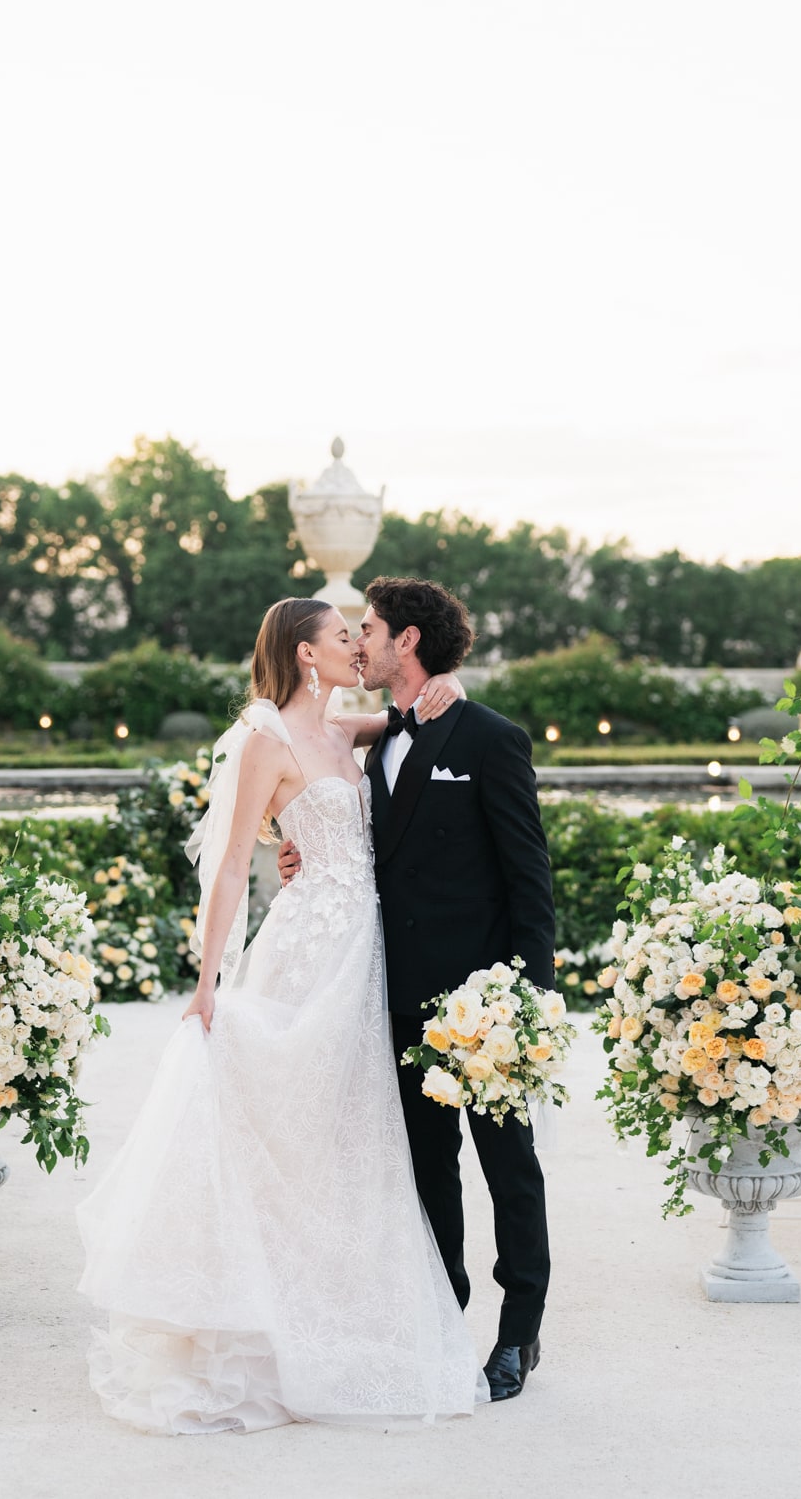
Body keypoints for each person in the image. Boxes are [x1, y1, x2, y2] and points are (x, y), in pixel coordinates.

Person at [76, 596, 487, 1434]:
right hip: (308, 949)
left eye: (358, 635)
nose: (354, 647)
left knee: (348, 1131)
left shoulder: (346, 732)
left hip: (363, 950)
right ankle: (257, 1319)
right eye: (343, 637)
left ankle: (341, 1313)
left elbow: (414, 706)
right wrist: (207, 980)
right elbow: (230, 865)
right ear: (305, 655)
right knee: (287, 1121)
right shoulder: (266, 739)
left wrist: (447, 681)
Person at [278, 577, 556, 1402]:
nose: (357, 641)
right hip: (394, 999)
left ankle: (519, 1334)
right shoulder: (380, 734)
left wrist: (528, 995)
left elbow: (529, 877)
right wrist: (291, 852)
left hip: (483, 1004)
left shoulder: (489, 740)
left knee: (510, 1169)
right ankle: (444, 1317)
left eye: (367, 628)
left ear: (407, 641)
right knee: (427, 1172)